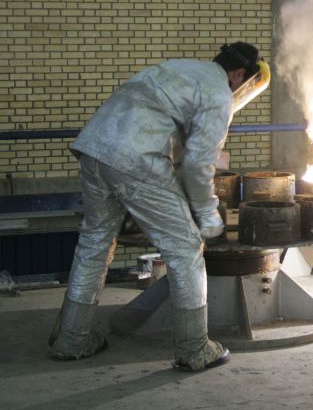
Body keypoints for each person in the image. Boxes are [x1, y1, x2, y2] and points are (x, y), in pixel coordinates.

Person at [48, 42, 270, 371]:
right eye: (245, 84)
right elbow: (198, 164)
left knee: (95, 243)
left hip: (95, 149)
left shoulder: (181, 69)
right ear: (239, 75)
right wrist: (208, 215)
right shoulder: (218, 93)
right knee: (186, 248)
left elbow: (174, 141)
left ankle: (72, 338)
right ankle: (195, 349)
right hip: (135, 159)